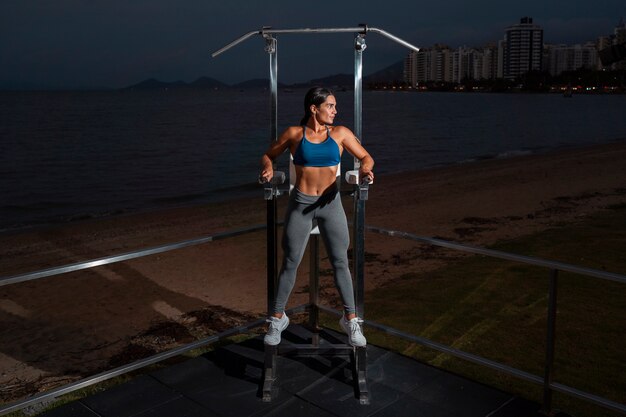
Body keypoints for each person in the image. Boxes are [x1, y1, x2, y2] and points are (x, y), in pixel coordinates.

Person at [259, 86, 374, 347]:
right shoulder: (294, 134)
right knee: (290, 261)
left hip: (331, 204)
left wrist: (366, 169)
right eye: (330, 106)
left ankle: (351, 319)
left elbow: (366, 157)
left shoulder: (341, 133)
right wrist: (267, 168)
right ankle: (277, 318)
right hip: (300, 204)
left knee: (340, 262)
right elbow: (268, 154)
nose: (335, 110)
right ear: (314, 108)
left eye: (334, 106)